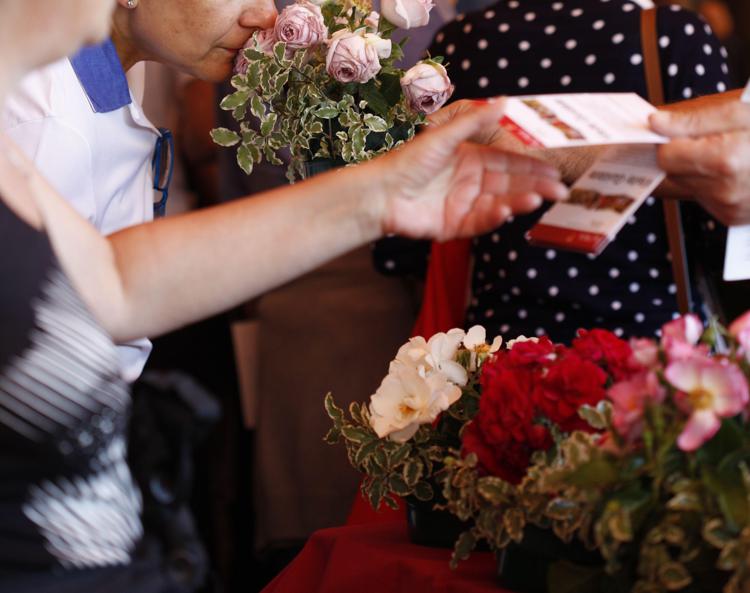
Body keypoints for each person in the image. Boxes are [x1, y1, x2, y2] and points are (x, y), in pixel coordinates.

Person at [0, 0, 568, 590]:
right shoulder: (43, 115)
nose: (262, 16)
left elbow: (111, 281)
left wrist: (385, 192)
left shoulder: (89, 86)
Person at [375, 0, 731, 343]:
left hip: (496, 345)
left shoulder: (464, 40)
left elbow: (407, 241)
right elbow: (722, 226)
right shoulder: (674, 34)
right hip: (648, 348)